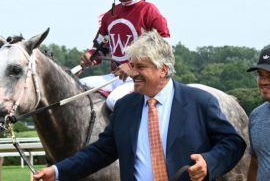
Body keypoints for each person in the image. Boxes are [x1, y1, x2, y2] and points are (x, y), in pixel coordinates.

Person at [34, 30, 246, 181]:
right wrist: (58, 171)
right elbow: (99, 152)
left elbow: (232, 143)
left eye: (140, 67)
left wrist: (209, 163)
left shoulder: (200, 102)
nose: (133, 73)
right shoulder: (126, 107)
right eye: (132, 66)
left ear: (163, 69)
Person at [80, 0, 170, 110]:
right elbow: (100, 49)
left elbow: (164, 48)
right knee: (78, 86)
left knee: (114, 100)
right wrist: (90, 56)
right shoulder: (109, 15)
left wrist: (132, 66)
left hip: (141, 79)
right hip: (115, 78)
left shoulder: (149, 10)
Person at [247, 47, 270, 181]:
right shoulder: (256, 116)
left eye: (269, 76)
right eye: (260, 75)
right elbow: (255, 163)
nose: (263, 82)